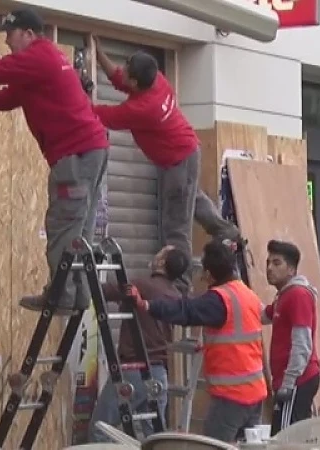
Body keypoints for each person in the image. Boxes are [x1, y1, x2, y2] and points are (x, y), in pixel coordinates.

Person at [0, 8, 110, 315]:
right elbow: (7, 98)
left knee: (63, 225)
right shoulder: (44, 62)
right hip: (90, 150)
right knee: (78, 230)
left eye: (10, 34)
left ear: (28, 34)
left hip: (75, 153)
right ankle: (77, 295)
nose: (6, 42)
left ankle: (63, 296)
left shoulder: (38, 57)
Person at [89, 35, 241, 293]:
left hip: (177, 161)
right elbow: (119, 77)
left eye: (127, 70)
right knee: (192, 200)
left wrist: (68, 97)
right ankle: (227, 232)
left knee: (176, 226)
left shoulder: (142, 109)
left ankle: (179, 289)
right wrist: (99, 50)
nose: (122, 71)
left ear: (136, 82)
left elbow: (101, 115)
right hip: (187, 150)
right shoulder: (156, 79)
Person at [125, 240, 267, 443]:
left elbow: (184, 310)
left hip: (232, 398)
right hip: (255, 394)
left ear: (209, 273)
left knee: (214, 446)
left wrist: (146, 304)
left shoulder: (218, 299)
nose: (201, 277)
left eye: (203, 272)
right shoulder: (247, 294)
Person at [88, 245, 189, 442]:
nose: (155, 255)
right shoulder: (176, 295)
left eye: (159, 252)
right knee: (154, 439)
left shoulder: (142, 285)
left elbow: (103, 292)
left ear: (161, 262)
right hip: (159, 376)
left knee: (100, 430)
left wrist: (89, 271)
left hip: (133, 370)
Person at [262, 240, 320, 435]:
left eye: (276, 263)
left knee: (285, 438)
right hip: (290, 381)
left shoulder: (297, 295)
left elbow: (302, 344)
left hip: (297, 381)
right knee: (287, 436)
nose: (270, 268)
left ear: (291, 269)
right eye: (268, 263)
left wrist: (288, 384)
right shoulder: (283, 296)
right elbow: (262, 316)